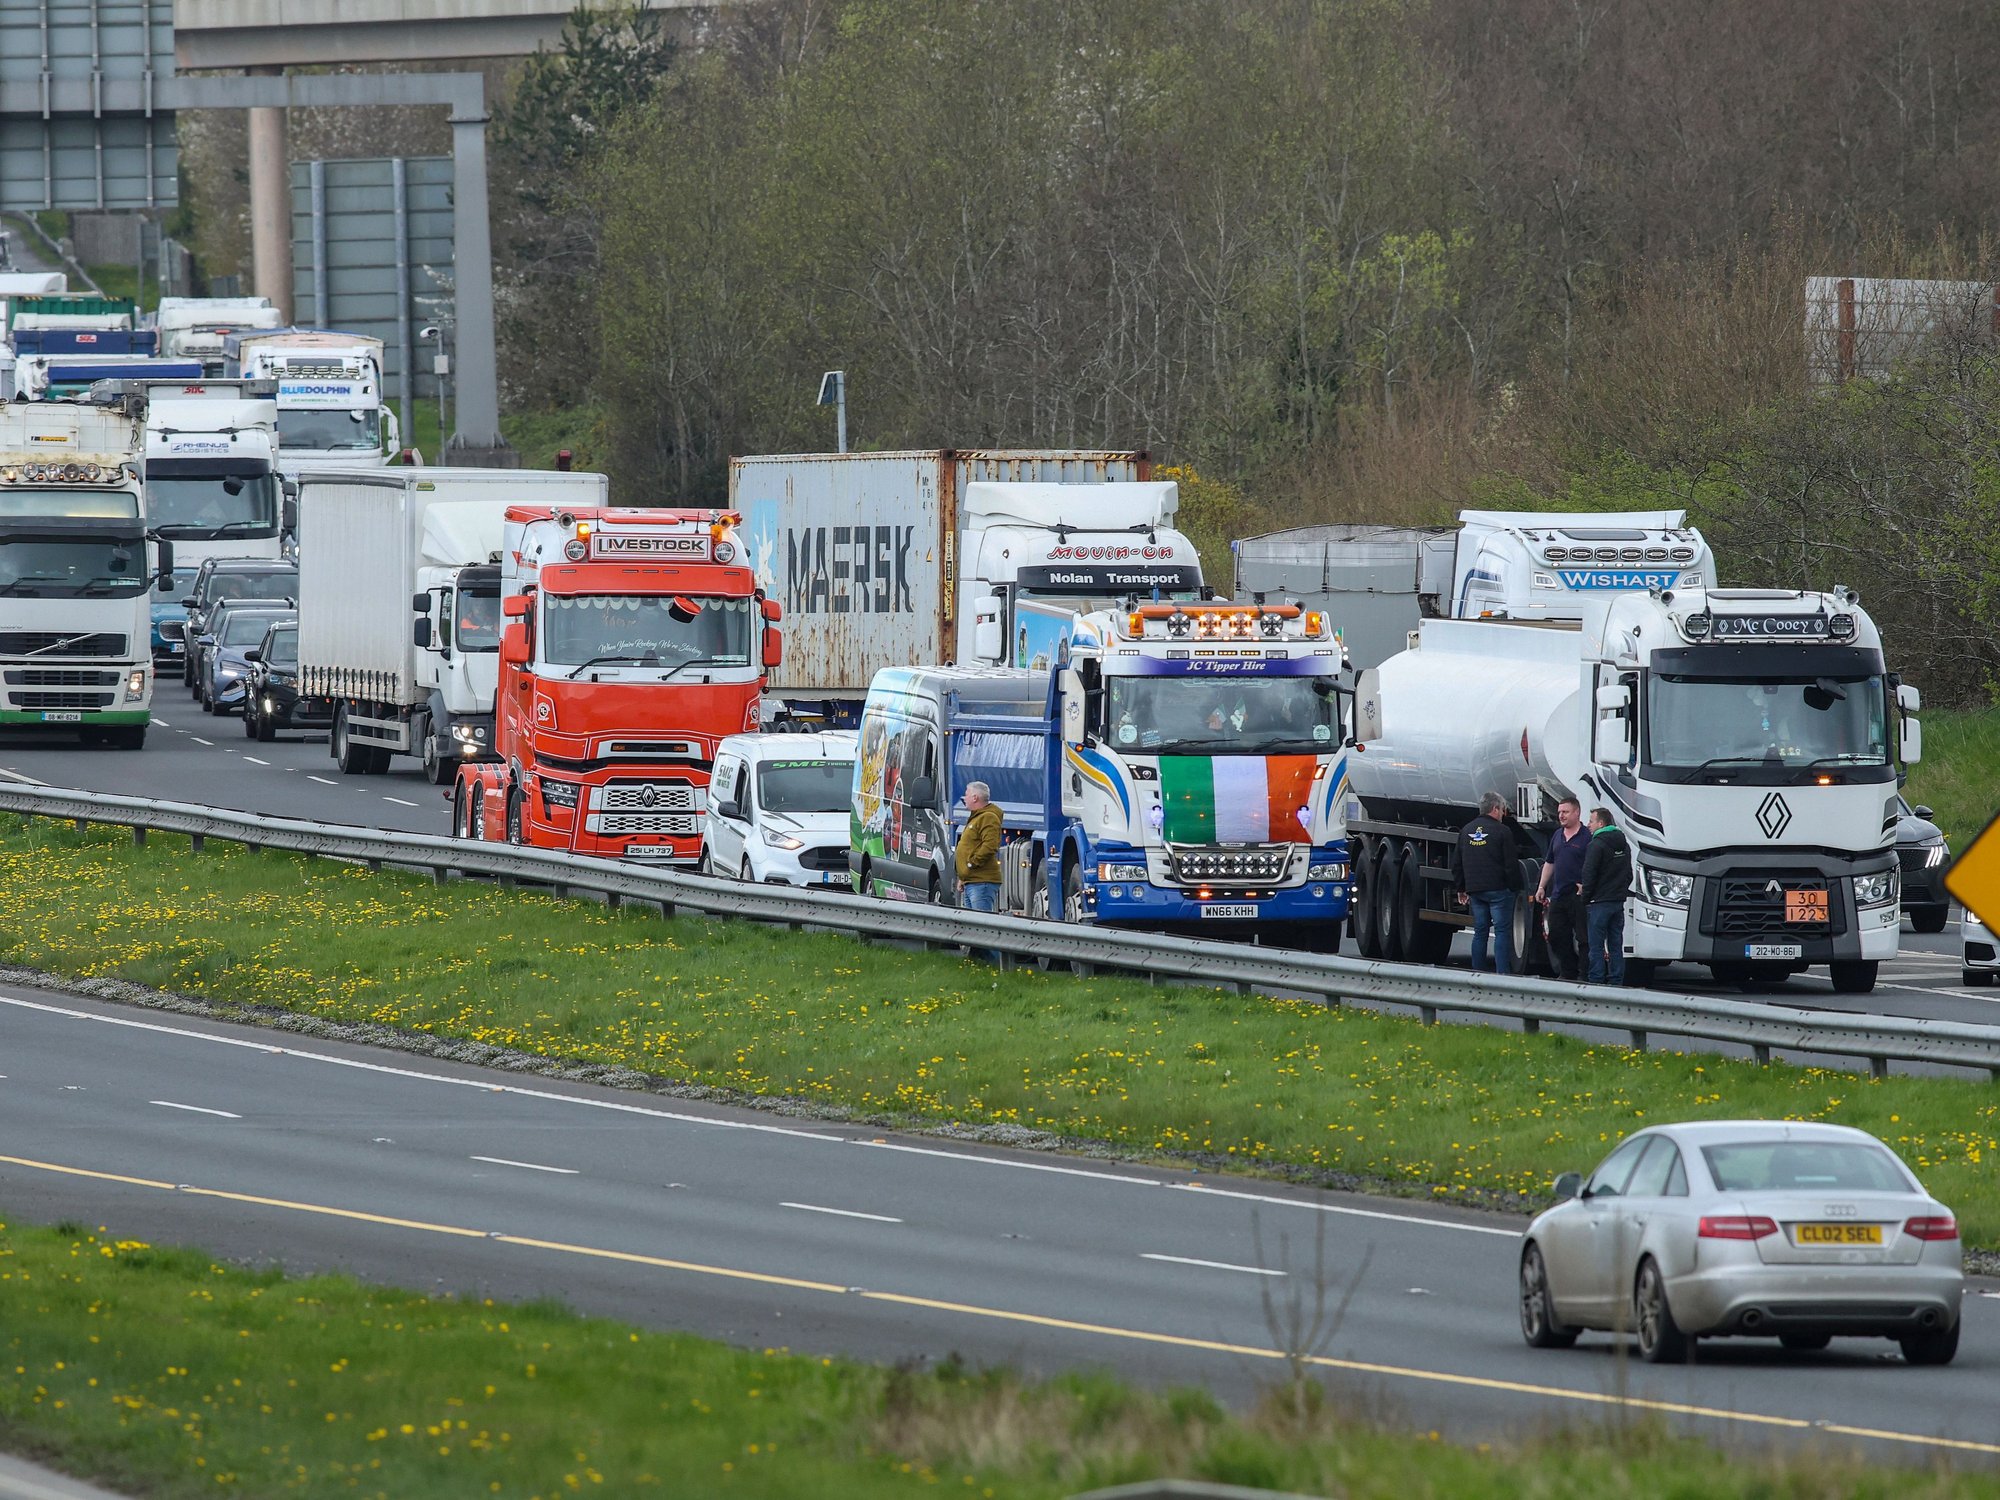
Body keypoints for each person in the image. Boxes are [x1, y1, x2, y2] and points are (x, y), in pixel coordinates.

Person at [1452, 790, 1522, 974]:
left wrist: (1461, 888)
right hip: (1499, 890)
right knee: (1501, 932)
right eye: (1502, 810)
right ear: (1495, 809)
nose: (1503, 814)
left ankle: (1478, 973)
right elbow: (1510, 864)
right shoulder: (1503, 831)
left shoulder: (1466, 830)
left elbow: (1457, 863)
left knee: (1480, 931)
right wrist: (1515, 888)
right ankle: (1502, 974)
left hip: (1475, 890)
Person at [1535, 797, 1590, 981]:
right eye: (1559, 812)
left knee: (1583, 938)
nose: (1561, 816)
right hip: (1558, 894)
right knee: (1556, 936)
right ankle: (1568, 971)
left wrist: (1588, 886)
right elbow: (1549, 862)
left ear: (1577, 813)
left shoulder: (1586, 836)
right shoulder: (1557, 835)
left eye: (1565, 812)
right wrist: (1542, 886)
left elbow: (1594, 865)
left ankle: (1583, 975)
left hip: (1578, 896)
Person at [1580, 805, 1634, 983]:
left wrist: (1585, 897)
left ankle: (1596, 981)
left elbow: (1589, 875)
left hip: (1599, 902)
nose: (1588, 825)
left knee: (1595, 946)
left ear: (1601, 823)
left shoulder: (1596, 845)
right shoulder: (1624, 845)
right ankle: (1616, 981)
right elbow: (1629, 875)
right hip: (1617, 902)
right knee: (1615, 945)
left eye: (1591, 821)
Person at [954, 780, 1004, 961]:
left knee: (983, 930)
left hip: (981, 882)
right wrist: (963, 877)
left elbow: (990, 846)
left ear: (975, 797)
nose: (964, 797)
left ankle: (999, 966)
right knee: (972, 931)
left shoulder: (988, 817)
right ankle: (979, 966)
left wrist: (971, 864)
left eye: (966, 793)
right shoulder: (977, 816)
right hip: (971, 881)